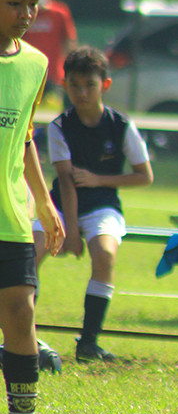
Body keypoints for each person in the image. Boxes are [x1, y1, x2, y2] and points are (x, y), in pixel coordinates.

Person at [32, 46, 152, 362]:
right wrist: (70, 229)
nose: (82, 93)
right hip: (60, 205)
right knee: (31, 252)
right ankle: (23, 337)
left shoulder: (121, 126)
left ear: (105, 85)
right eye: (74, 86)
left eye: (90, 85)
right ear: (65, 84)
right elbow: (66, 180)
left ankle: (88, 343)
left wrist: (99, 180)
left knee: (105, 255)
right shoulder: (60, 127)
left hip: (103, 205)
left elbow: (144, 176)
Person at [0, 0, 65, 414]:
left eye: (32, 2)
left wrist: (44, 201)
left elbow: (24, 138)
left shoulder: (37, 64)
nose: (27, 13)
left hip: (10, 213)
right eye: (14, 2)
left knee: (21, 313)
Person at [22, 0, 75, 98]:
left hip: (54, 72)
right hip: (28, 70)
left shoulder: (59, 12)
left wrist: (68, 66)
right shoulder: (24, 12)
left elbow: (69, 39)